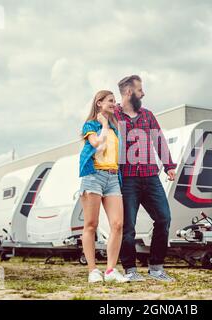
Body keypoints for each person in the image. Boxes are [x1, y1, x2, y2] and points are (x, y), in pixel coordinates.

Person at [115, 75, 177, 282]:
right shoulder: (114, 116)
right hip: (127, 180)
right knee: (128, 227)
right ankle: (130, 270)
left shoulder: (147, 115)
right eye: (140, 90)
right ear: (129, 92)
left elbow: (159, 140)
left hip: (151, 177)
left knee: (164, 218)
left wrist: (169, 166)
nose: (144, 93)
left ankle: (156, 268)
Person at [79, 90, 128, 283]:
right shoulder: (90, 125)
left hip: (113, 178)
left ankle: (110, 270)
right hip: (93, 177)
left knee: (117, 224)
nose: (114, 104)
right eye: (110, 101)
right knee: (91, 225)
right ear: (99, 103)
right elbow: (98, 145)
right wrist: (105, 124)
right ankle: (93, 271)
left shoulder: (116, 130)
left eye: (114, 101)